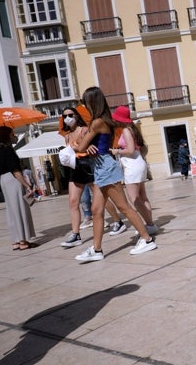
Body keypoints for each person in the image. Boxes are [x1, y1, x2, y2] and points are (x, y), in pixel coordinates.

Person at [72, 86, 156, 261]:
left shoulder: (97, 122)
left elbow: (79, 147)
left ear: (91, 102)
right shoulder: (101, 121)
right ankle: (96, 250)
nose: (83, 106)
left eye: (85, 102)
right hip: (100, 167)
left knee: (124, 207)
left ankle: (147, 239)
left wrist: (82, 144)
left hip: (106, 167)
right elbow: (87, 146)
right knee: (96, 210)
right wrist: (87, 145)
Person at [110, 105, 158, 236]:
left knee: (134, 199)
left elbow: (130, 150)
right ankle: (150, 224)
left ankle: (149, 225)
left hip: (132, 164)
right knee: (142, 197)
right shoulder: (133, 129)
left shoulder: (126, 130)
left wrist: (117, 151)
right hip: (139, 162)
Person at [0, 126, 37, 250]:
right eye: (12, 134)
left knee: (12, 211)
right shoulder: (7, 150)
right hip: (13, 180)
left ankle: (16, 240)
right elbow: (15, 171)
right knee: (20, 209)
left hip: (4, 180)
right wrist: (27, 185)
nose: (14, 136)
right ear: (6, 136)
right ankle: (23, 241)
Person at [58, 106, 97, 247]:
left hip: (88, 164)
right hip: (75, 167)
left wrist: (78, 147)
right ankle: (76, 234)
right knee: (73, 201)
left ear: (76, 116)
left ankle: (117, 221)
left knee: (101, 196)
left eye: (70, 114)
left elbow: (91, 148)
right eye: (64, 116)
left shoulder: (85, 130)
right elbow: (70, 152)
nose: (67, 117)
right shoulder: (67, 136)